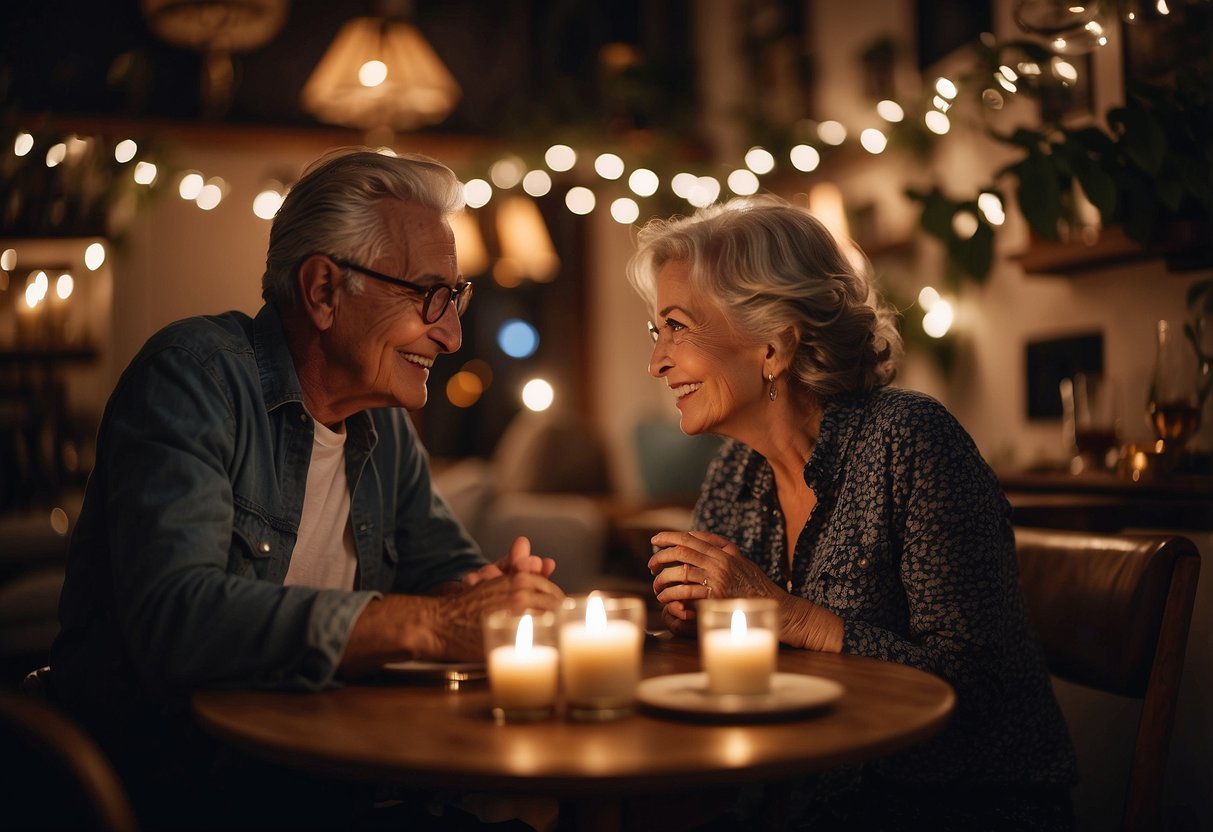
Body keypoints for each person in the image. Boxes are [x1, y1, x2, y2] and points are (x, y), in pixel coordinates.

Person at [50, 148, 564, 829]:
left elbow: (447, 578)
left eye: (456, 297)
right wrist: (431, 625)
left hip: (332, 778)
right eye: (428, 295)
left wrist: (495, 599)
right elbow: (177, 620)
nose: (450, 333)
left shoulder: (385, 432)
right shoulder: (193, 379)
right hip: (177, 790)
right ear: (324, 290)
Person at [628, 195, 1077, 830]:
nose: (657, 362)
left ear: (774, 347)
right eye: (658, 331)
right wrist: (699, 625)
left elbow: (976, 695)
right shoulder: (736, 471)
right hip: (798, 799)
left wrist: (782, 615)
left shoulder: (911, 442)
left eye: (676, 326)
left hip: (956, 811)